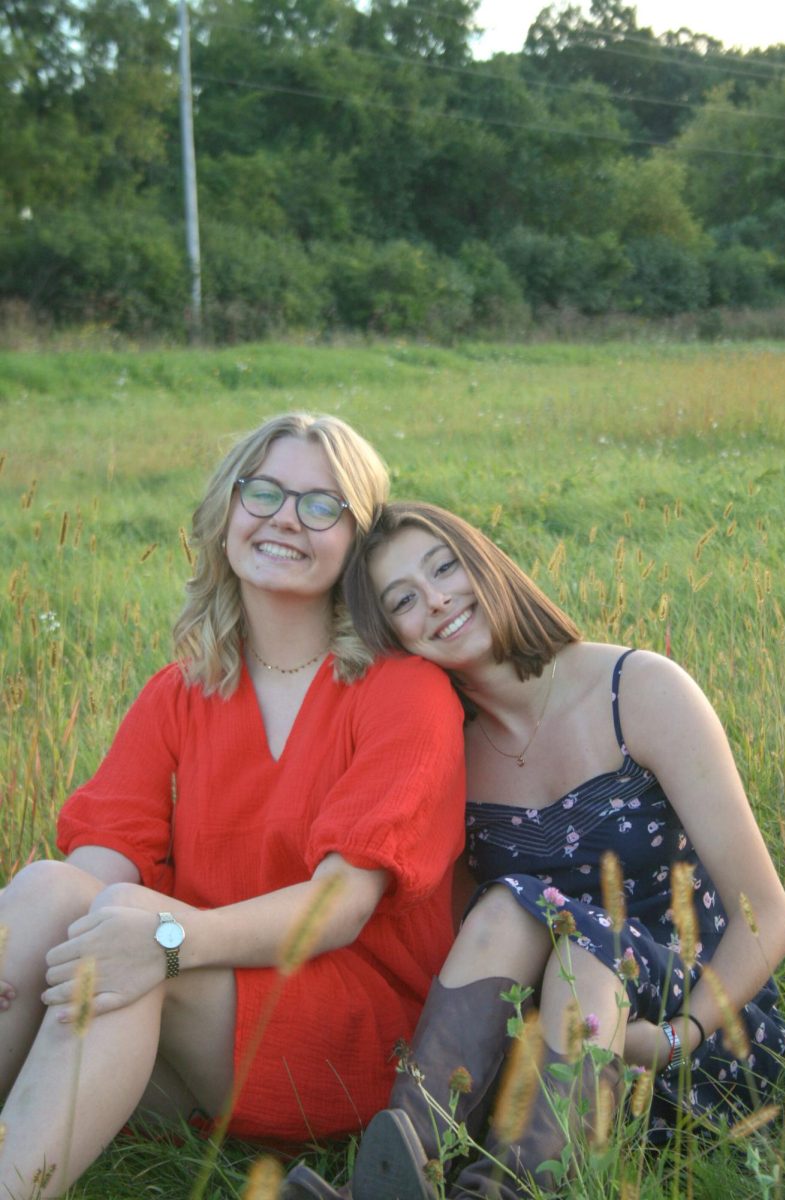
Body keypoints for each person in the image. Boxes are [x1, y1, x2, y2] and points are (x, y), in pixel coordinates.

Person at [0, 421, 467, 1199]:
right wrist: (41, 935)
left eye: (321, 505)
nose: (285, 517)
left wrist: (165, 942)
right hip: (200, 995)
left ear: (356, 540)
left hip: (347, 1024)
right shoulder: (182, 689)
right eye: (265, 492)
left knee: (134, 941)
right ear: (227, 512)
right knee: (54, 889)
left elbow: (338, 907)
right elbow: (107, 848)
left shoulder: (402, 690)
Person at [284, 499, 785, 1200]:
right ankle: (402, 1167)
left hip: (694, 1043)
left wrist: (678, 1035)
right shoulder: (448, 754)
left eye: (445, 567)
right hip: (553, 1068)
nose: (436, 601)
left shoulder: (639, 690)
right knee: (503, 913)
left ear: (485, 564)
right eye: (403, 599)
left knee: (568, 935)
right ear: (392, 635)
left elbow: (765, 912)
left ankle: (512, 1189)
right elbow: (469, 943)